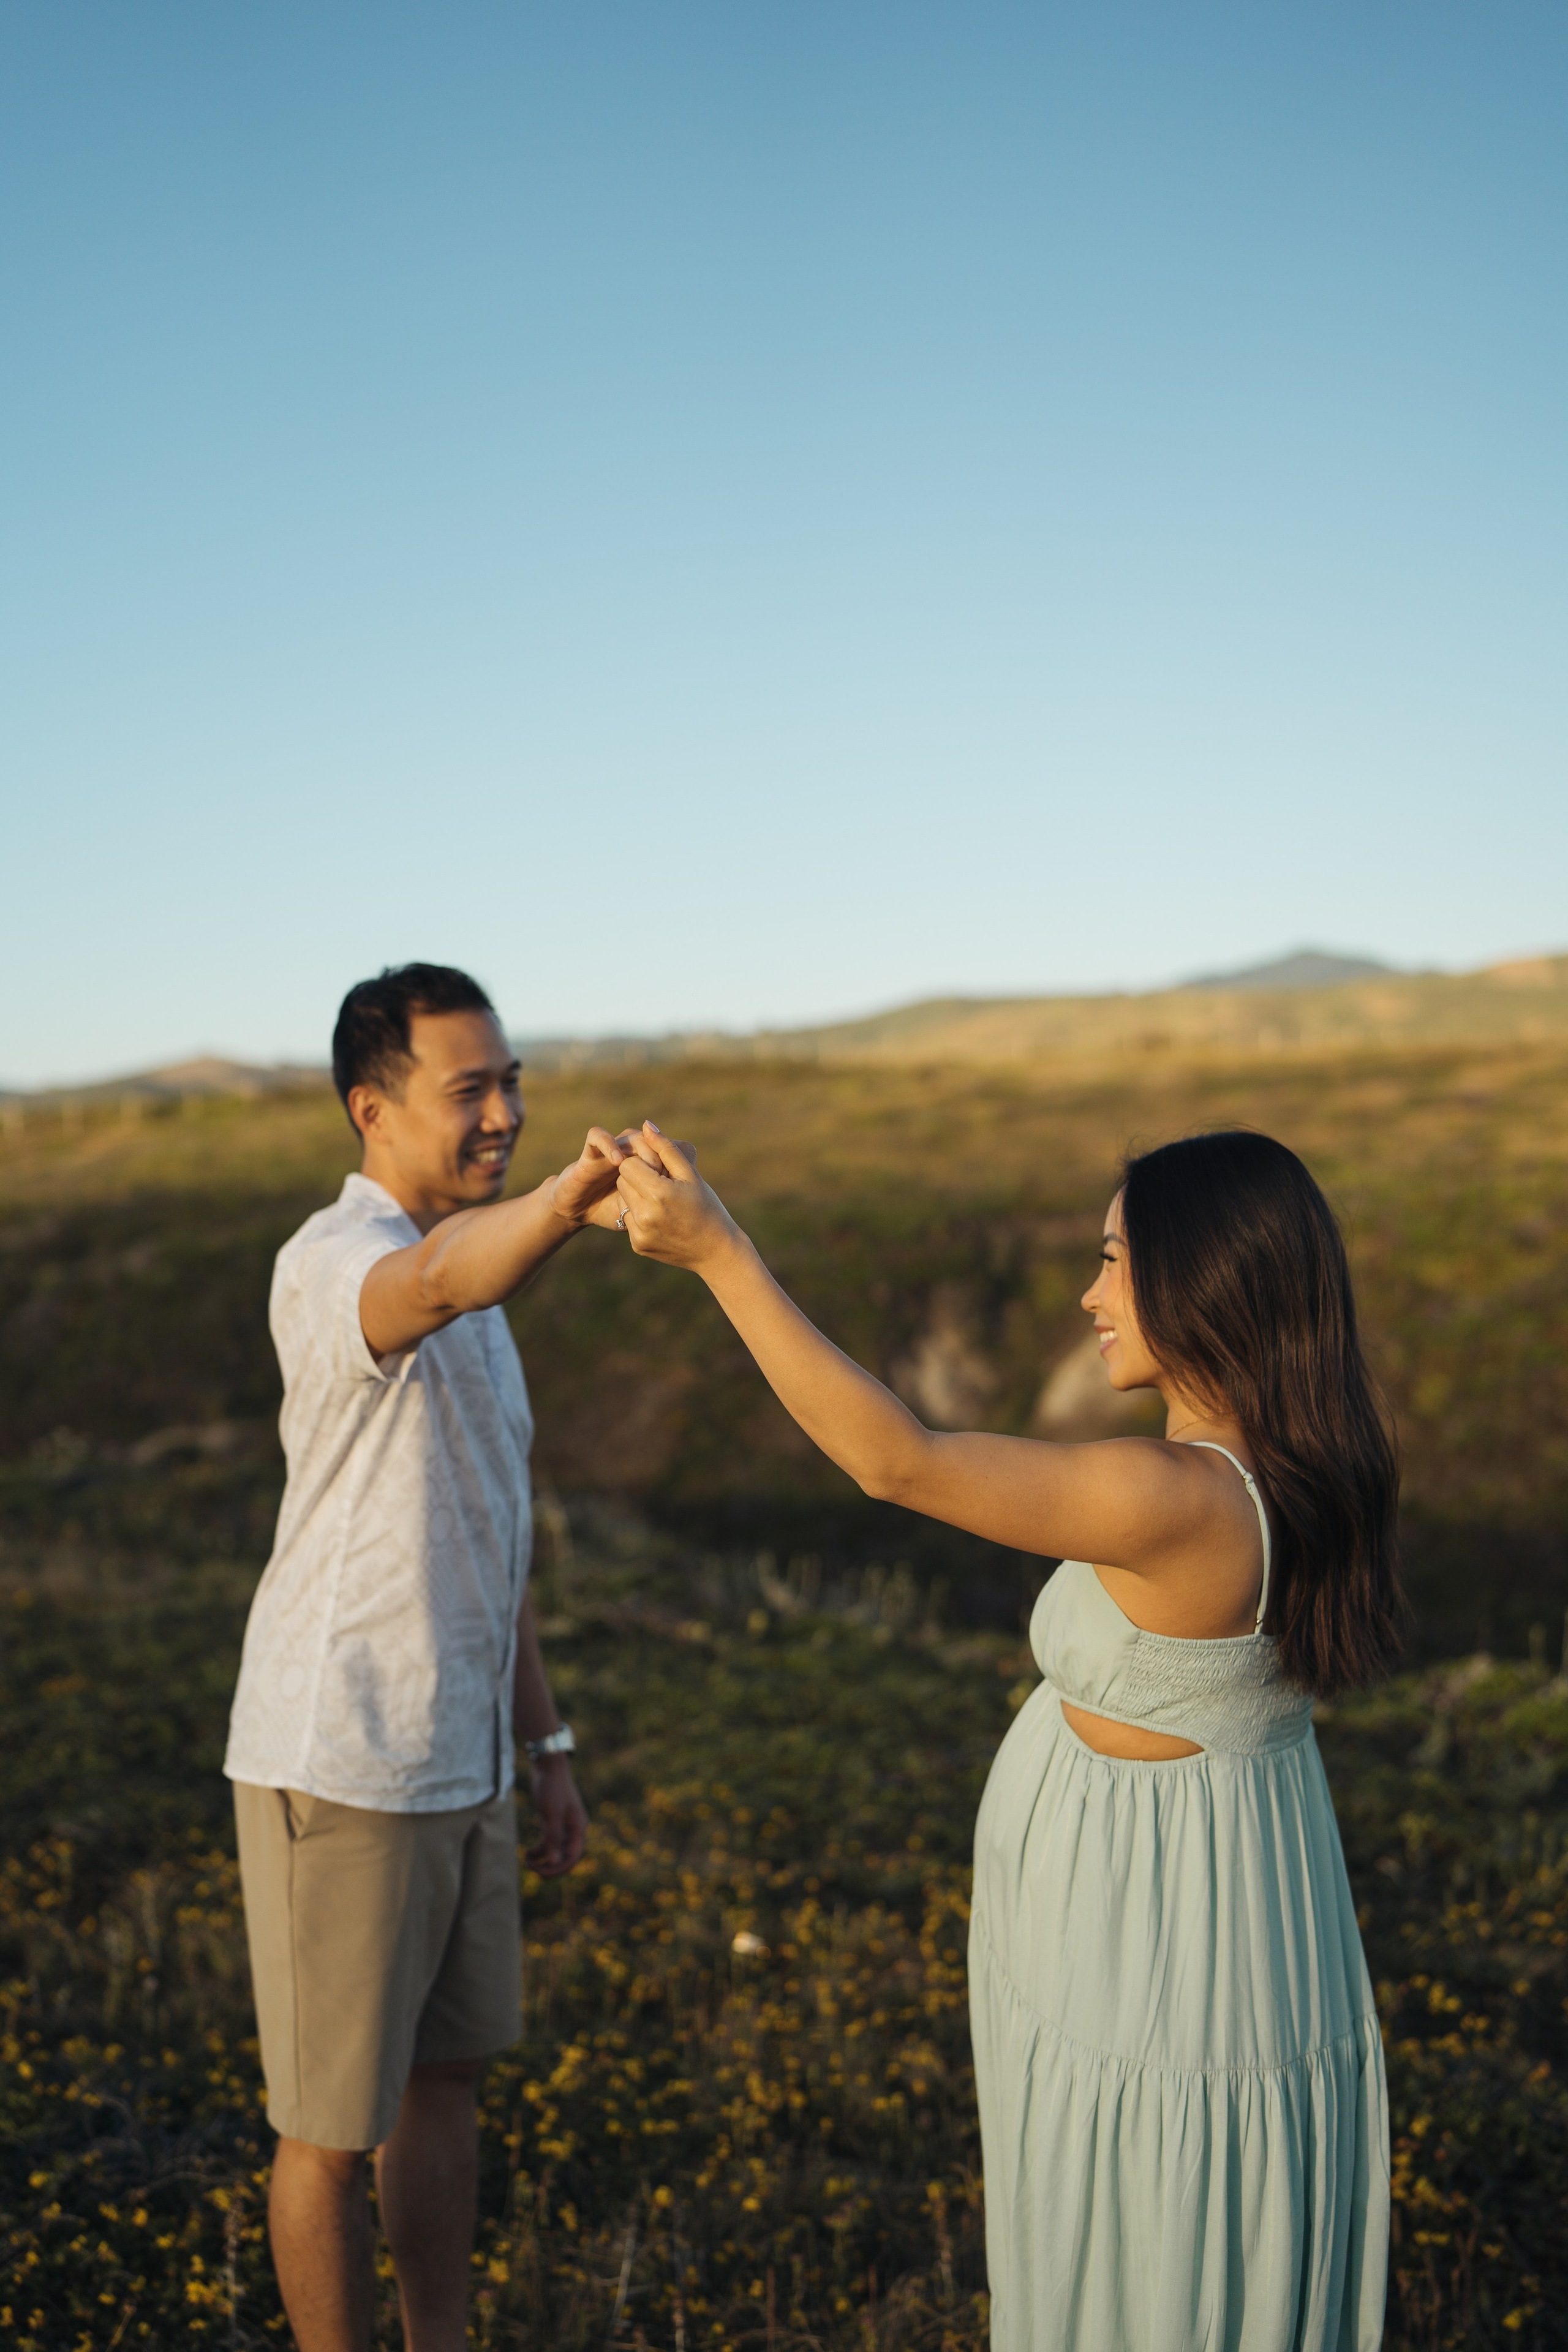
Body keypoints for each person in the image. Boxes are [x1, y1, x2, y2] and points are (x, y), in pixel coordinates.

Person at [612, 1122, 1400, 2352]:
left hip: (1151, 1957)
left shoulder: (1174, 1499)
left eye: (1112, 1259)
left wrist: (720, 1256)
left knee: (1147, 2249)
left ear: (1206, 1276)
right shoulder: (1291, 1464)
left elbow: (897, 1462)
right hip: (1188, 1918)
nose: (1089, 1295)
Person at [224, 963, 638, 2352]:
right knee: (327, 2133)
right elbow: (437, 1277)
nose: (505, 1113)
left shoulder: (490, 1302)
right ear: (372, 1107)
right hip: (342, 1758)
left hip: (464, 1762)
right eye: (471, 1089)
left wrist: (546, 1744)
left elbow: (492, 1538)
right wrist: (567, 1207)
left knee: (445, 2082)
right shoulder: (336, 1262)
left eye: (511, 1083)